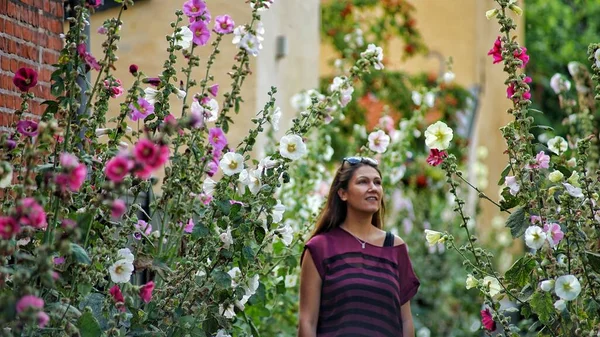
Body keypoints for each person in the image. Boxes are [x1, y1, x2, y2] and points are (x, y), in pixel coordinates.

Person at [298, 157, 420, 337]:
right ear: (343, 193)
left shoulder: (395, 247)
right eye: (363, 182)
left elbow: (406, 321)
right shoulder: (320, 248)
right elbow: (307, 322)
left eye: (377, 182)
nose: (373, 187)